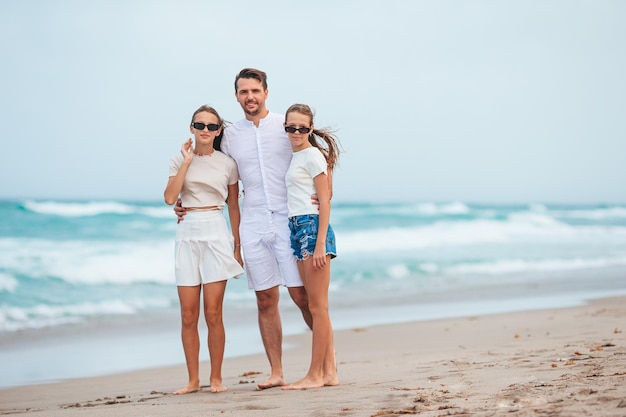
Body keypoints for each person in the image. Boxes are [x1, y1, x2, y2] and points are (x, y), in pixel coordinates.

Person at [175, 68, 314, 390]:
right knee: (265, 298)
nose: (249, 97)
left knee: (300, 296)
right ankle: (277, 372)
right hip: (251, 222)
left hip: (288, 218)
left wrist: (323, 194)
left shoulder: (285, 125)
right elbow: (206, 166)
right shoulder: (229, 134)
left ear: (265, 92)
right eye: (243, 92)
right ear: (236, 96)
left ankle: (324, 359)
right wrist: (183, 202)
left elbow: (316, 154)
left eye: (255, 90)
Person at [164, 105, 244, 395]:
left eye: (212, 126)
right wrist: (186, 161)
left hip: (215, 232)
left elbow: (234, 206)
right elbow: (170, 197)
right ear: (192, 128)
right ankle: (193, 380)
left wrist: (237, 245)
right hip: (186, 236)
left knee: (213, 314)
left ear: (219, 130)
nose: (206, 131)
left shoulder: (227, 164)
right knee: (188, 315)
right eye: (200, 125)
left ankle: (216, 379)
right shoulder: (178, 159)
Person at [281, 104, 340, 390]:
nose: (296, 132)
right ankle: (329, 372)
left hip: (312, 228)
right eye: (290, 127)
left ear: (310, 129)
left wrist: (319, 245)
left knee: (318, 306)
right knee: (316, 304)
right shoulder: (297, 156)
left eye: (302, 128)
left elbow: (325, 201)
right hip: (297, 227)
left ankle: (315, 375)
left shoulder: (312, 155)